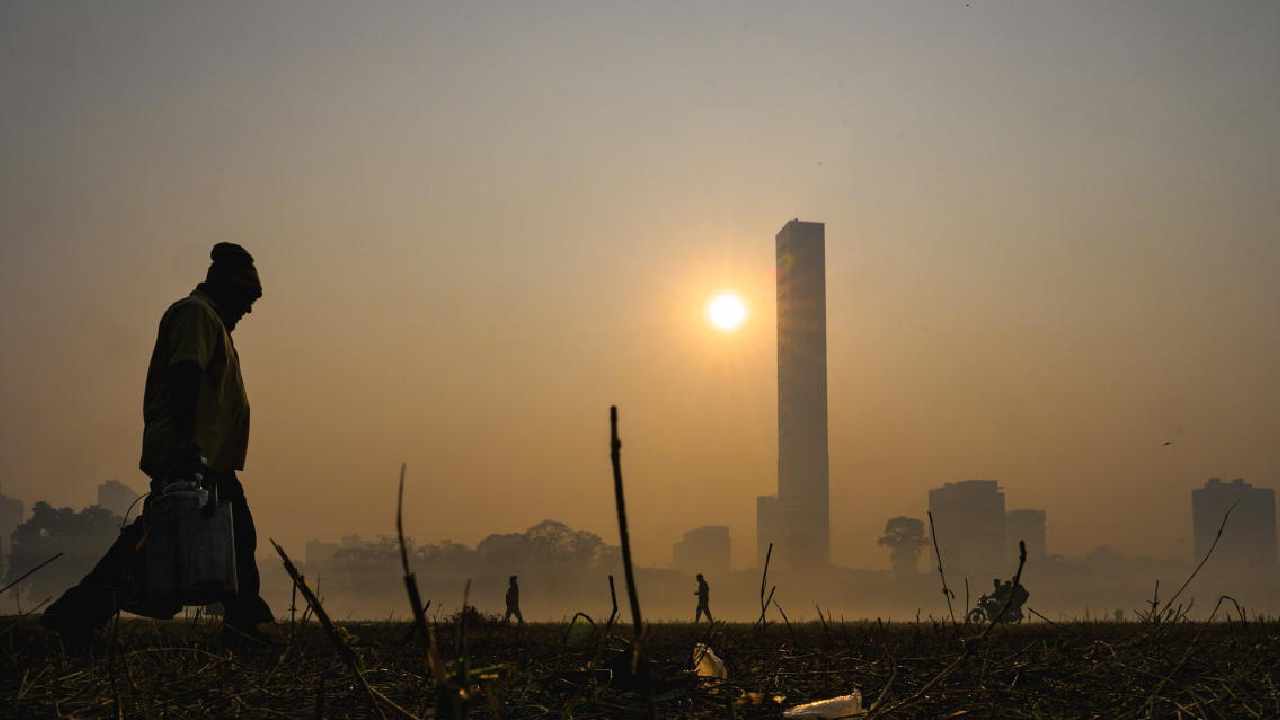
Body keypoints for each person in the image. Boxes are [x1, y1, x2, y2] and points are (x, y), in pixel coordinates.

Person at [42, 243, 273, 649]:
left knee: (194, 537)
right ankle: (244, 627)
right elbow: (186, 374)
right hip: (191, 454)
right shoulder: (196, 315)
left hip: (204, 457)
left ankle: (77, 614)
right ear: (227, 287)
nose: (248, 310)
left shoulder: (210, 321)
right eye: (247, 298)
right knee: (177, 540)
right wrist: (187, 446)